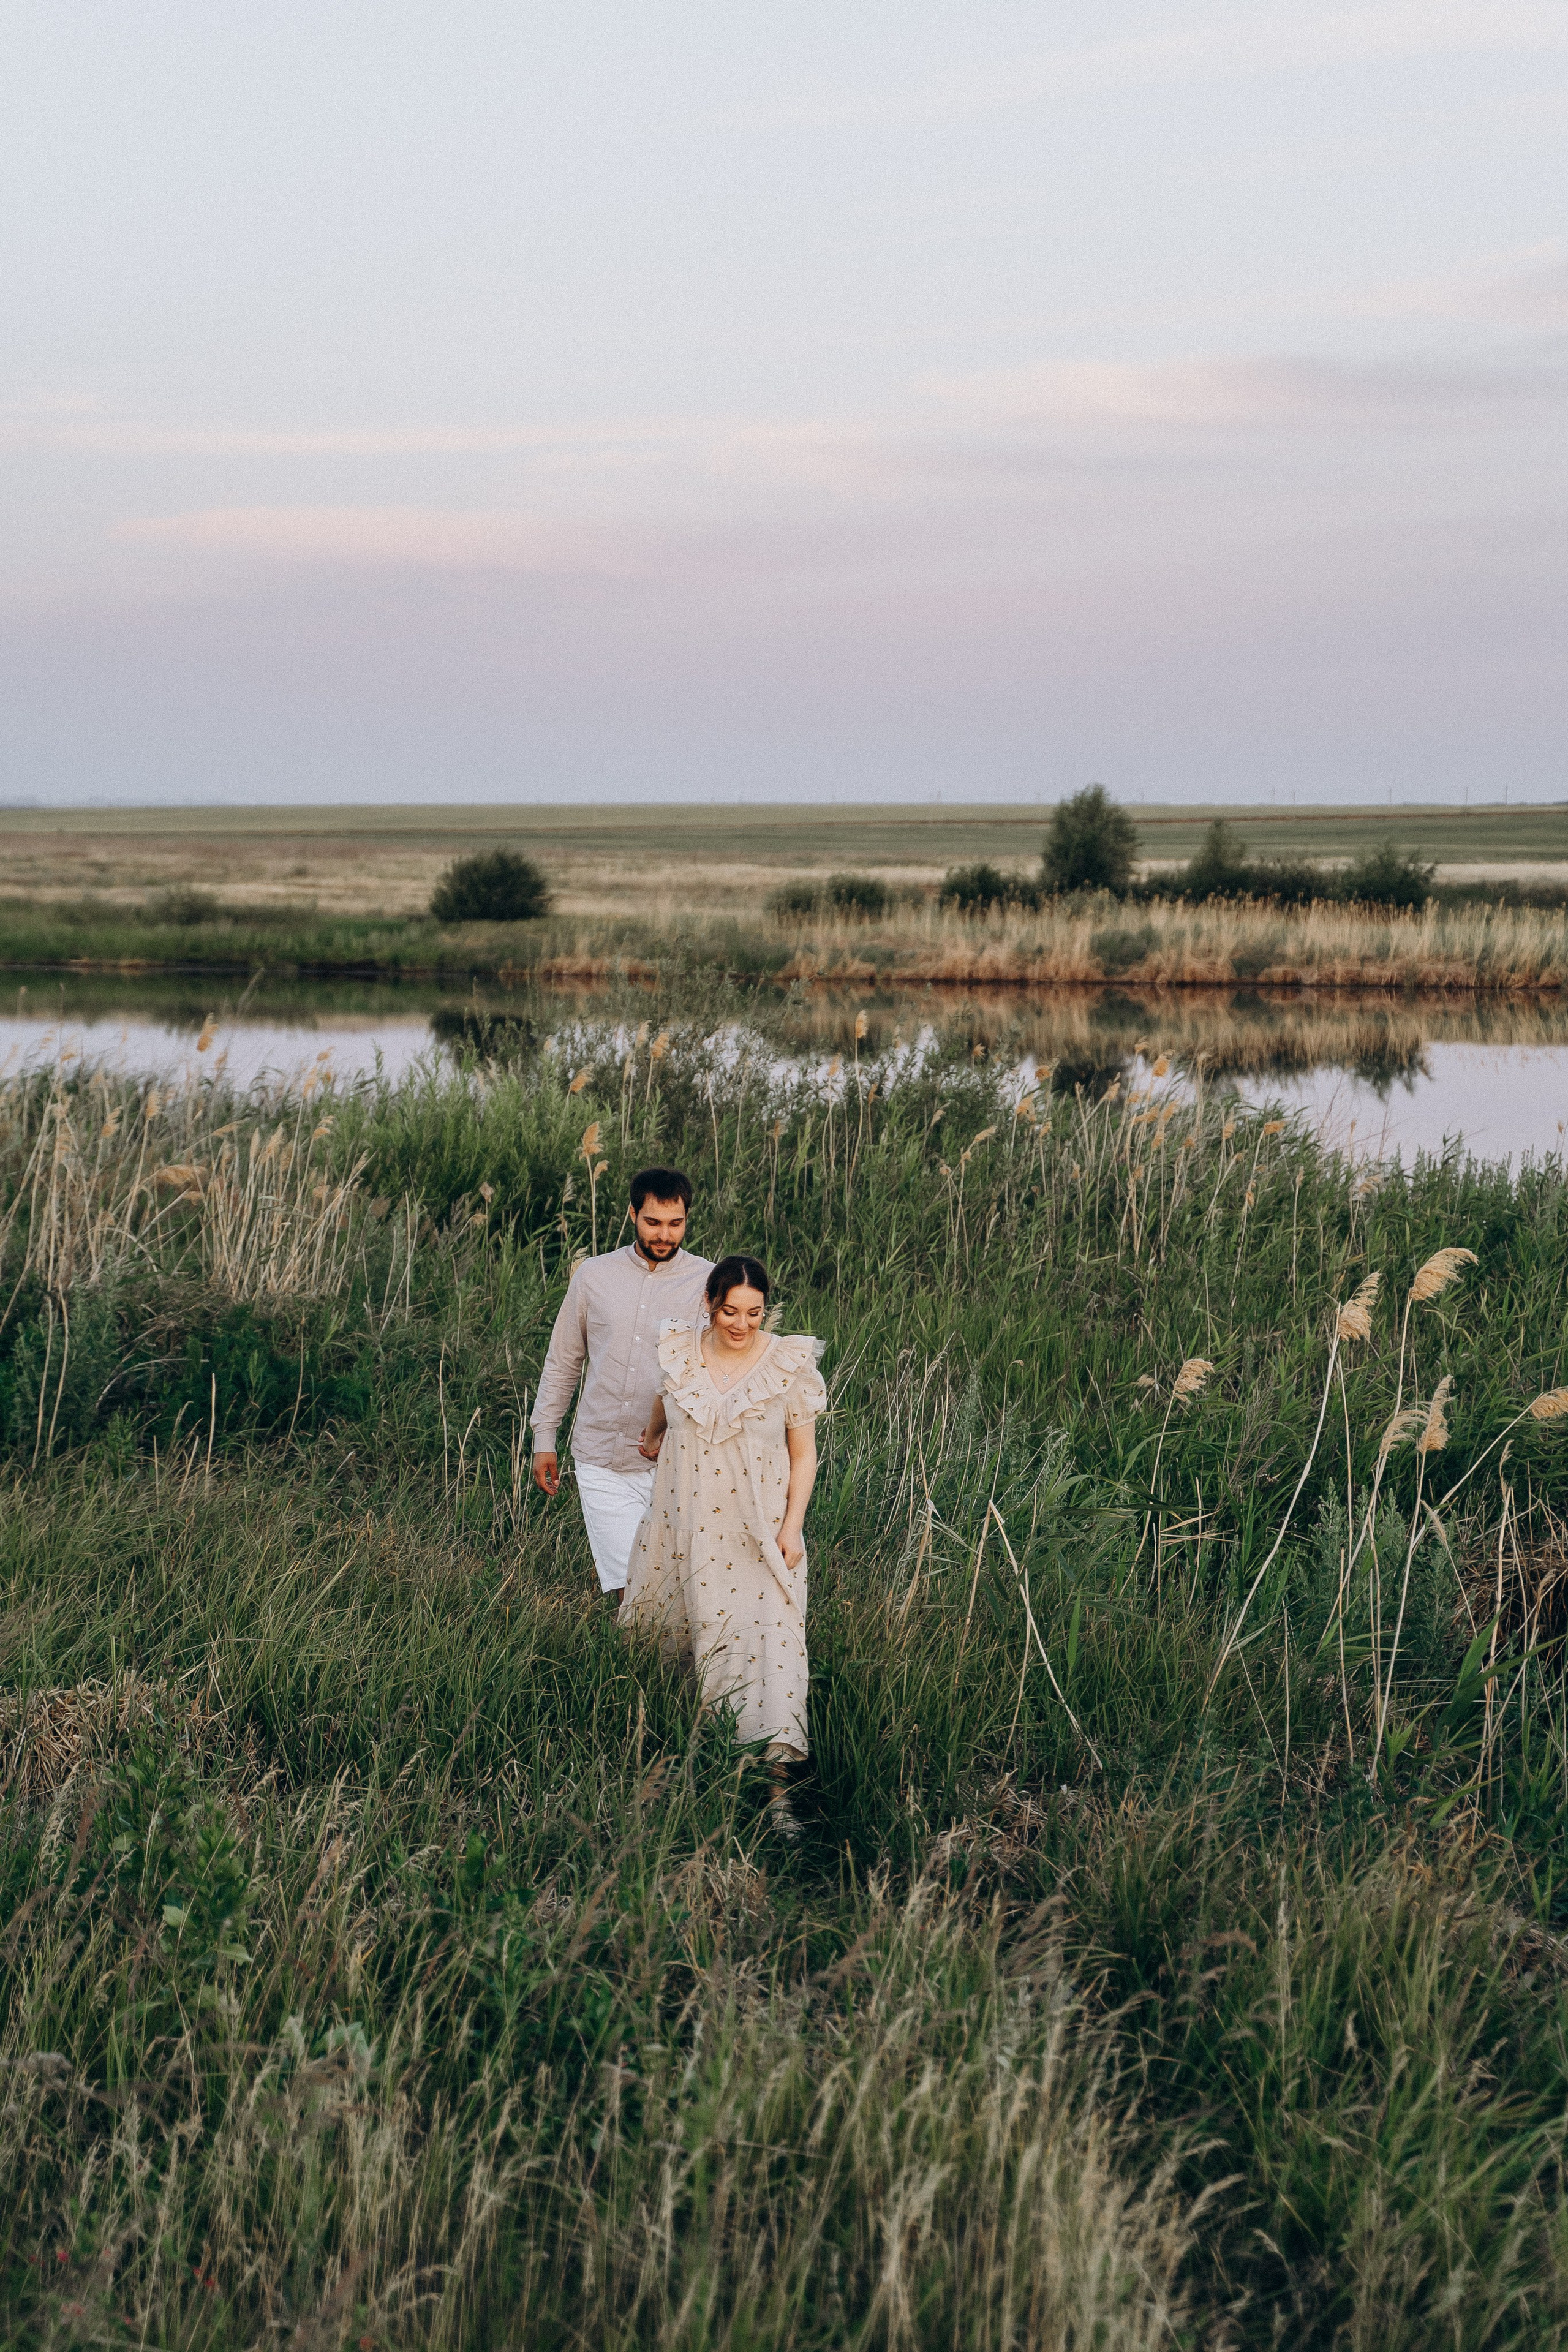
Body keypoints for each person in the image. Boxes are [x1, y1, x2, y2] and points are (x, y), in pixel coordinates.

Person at [622, 1254, 825, 1830]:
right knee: (682, 1640)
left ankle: (776, 1794)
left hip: (757, 1531)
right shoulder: (681, 1350)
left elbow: (804, 1454)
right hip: (683, 1525)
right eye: (730, 1310)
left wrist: (791, 1529)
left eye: (754, 1312)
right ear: (710, 1303)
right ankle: (683, 1766)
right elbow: (667, 1393)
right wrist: (656, 1431)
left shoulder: (789, 1362)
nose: (741, 1324)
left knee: (773, 1649)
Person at [532, 1167, 713, 1600]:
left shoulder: (710, 1283)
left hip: (676, 1460)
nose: (665, 1235)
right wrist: (545, 1437)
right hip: (601, 1457)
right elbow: (564, 1360)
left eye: (675, 1223)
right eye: (653, 1222)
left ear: (688, 1219)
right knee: (630, 1587)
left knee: (679, 1586)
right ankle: (638, 1662)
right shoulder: (593, 1276)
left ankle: (674, 1665)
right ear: (632, 1214)